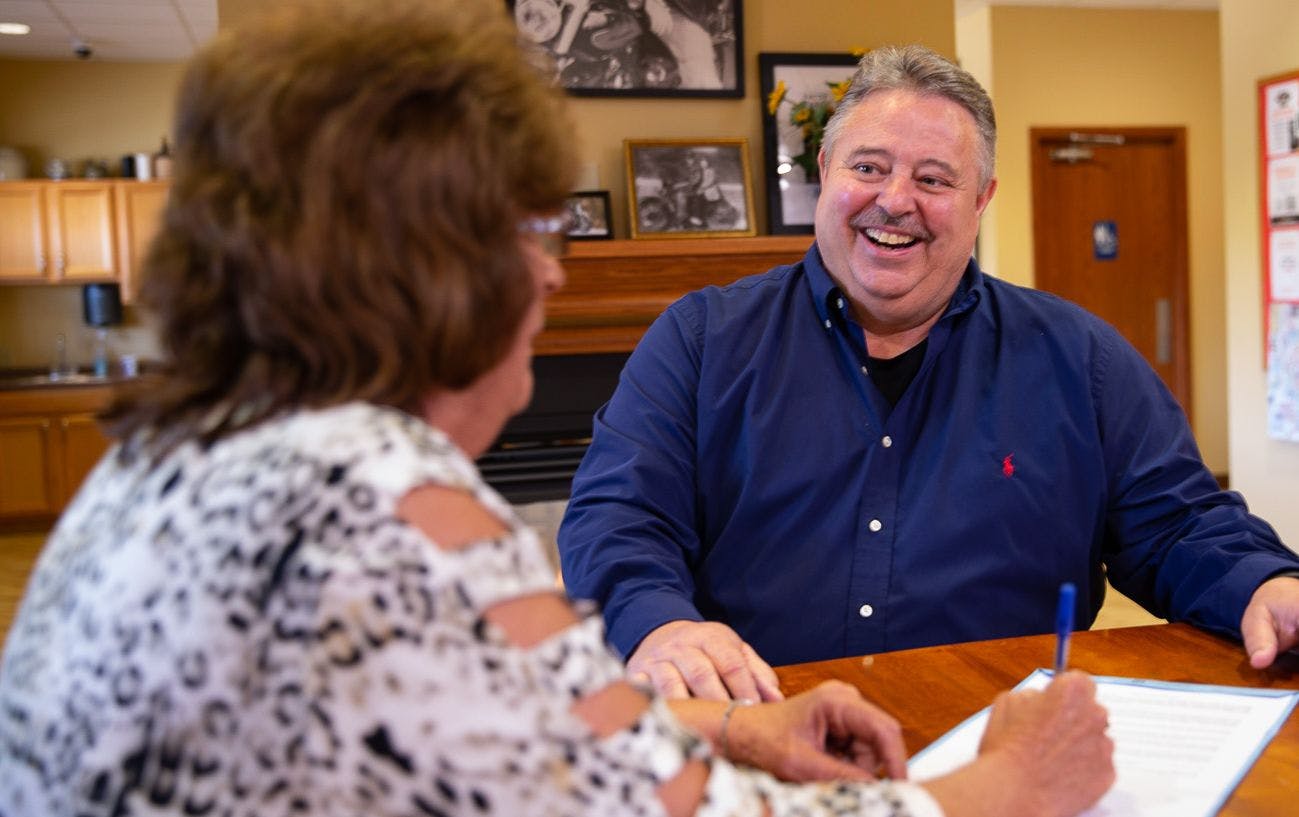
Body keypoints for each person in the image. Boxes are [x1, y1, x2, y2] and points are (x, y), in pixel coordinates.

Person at [0, 8, 1114, 817]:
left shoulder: (200, 451)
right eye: (531, 230)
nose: (550, 277)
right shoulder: (386, 508)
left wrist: (728, 723)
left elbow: (539, 717)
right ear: (424, 268)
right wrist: (1004, 786)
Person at [559, 43, 1299, 702]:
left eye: (934, 178)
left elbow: (1176, 525)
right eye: (868, 167)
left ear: (980, 200)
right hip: (758, 729)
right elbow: (619, 517)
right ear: (825, 172)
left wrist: (1262, 583)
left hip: (1000, 741)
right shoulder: (699, 339)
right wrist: (659, 625)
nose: (894, 201)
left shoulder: (1080, 357)